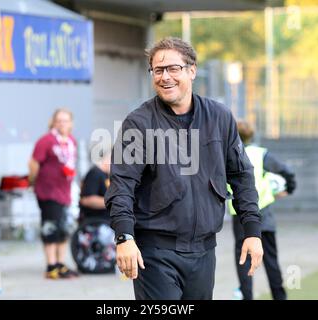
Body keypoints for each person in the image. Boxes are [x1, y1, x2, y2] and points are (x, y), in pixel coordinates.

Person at [104, 37, 263, 300]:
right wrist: (124, 237)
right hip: (155, 252)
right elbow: (121, 185)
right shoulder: (139, 123)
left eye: (173, 69)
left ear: (192, 70)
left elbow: (241, 176)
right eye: (158, 70)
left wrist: (252, 232)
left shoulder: (220, 117)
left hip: (204, 252)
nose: (165, 77)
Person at [229, 119, 296, 300]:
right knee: (271, 261)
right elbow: (287, 171)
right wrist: (289, 189)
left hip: (240, 218)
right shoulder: (261, 155)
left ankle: (246, 296)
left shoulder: (228, 154)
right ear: (252, 134)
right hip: (263, 214)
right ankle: (279, 297)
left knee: (243, 260)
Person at [28, 108, 79, 279]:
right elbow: (33, 163)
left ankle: (60, 263)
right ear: (53, 122)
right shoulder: (46, 141)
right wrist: (33, 181)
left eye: (65, 120)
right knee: (50, 228)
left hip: (65, 191)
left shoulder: (71, 141)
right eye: (59, 120)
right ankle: (51, 266)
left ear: (71, 123)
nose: (62, 124)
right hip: (48, 192)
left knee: (64, 228)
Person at [79, 147, 111, 223]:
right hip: (95, 221)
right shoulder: (95, 173)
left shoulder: (107, 175)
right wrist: (113, 202)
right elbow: (86, 200)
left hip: (106, 221)